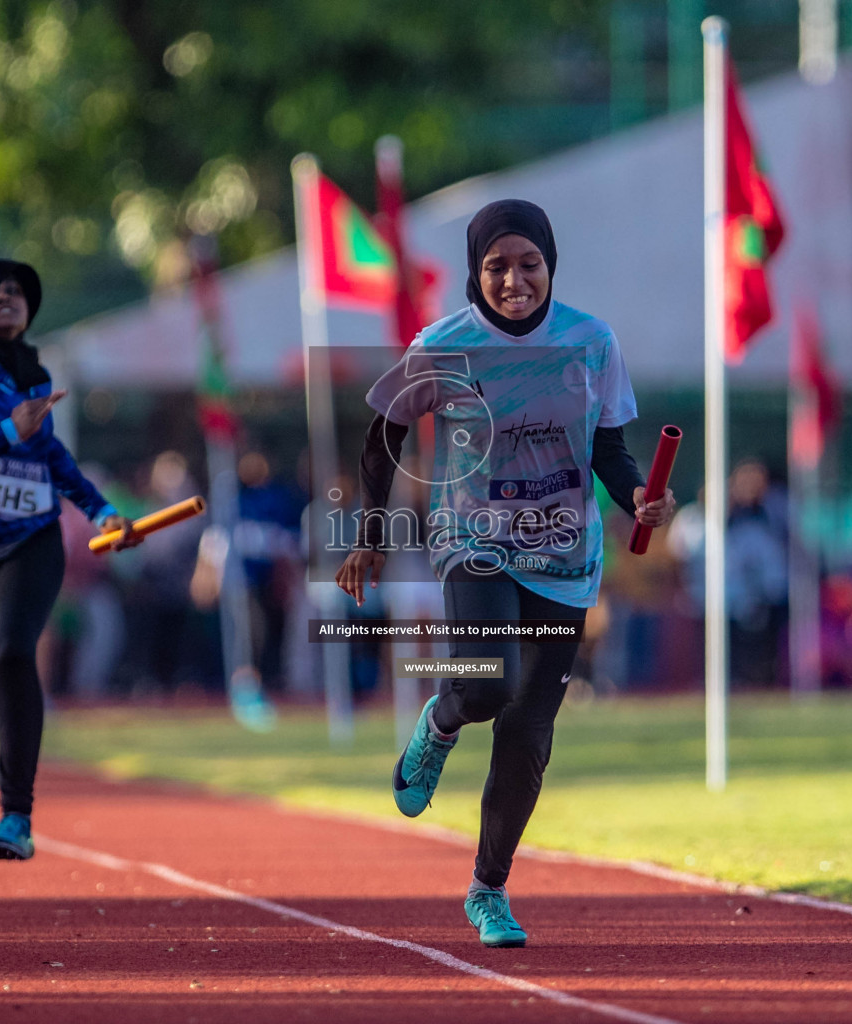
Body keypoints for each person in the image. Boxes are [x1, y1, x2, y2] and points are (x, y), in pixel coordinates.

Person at [335, 200, 674, 947]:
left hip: (564, 552)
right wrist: (370, 536)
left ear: (551, 265)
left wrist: (639, 499)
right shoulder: (444, 345)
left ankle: (488, 889)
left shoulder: (591, 342)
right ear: (474, 271)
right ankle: (440, 720)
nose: (514, 280)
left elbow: (609, 452)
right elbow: (381, 434)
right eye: (497, 267)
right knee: (486, 684)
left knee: (527, 733)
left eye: (529, 264)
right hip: (473, 537)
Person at [0, 257, 140, 861]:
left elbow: (51, 458)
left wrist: (103, 511)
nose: (11, 297)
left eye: (20, 292)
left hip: (29, 539)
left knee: (15, 650)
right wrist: (6, 433)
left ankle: (17, 815)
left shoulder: (34, 378)